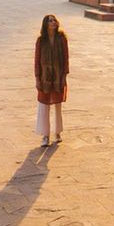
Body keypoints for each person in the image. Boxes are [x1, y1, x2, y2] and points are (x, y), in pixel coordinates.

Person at [33, 14, 69, 147]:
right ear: (45, 24)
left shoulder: (62, 38)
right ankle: (45, 135)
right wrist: (37, 78)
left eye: (54, 20)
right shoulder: (41, 40)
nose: (53, 22)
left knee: (57, 105)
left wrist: (65, 76)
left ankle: (57, 132)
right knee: (44, 106)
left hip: (58, 77)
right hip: (44, 78)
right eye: (50, 21)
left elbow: (66, 58)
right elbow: (36, 60)